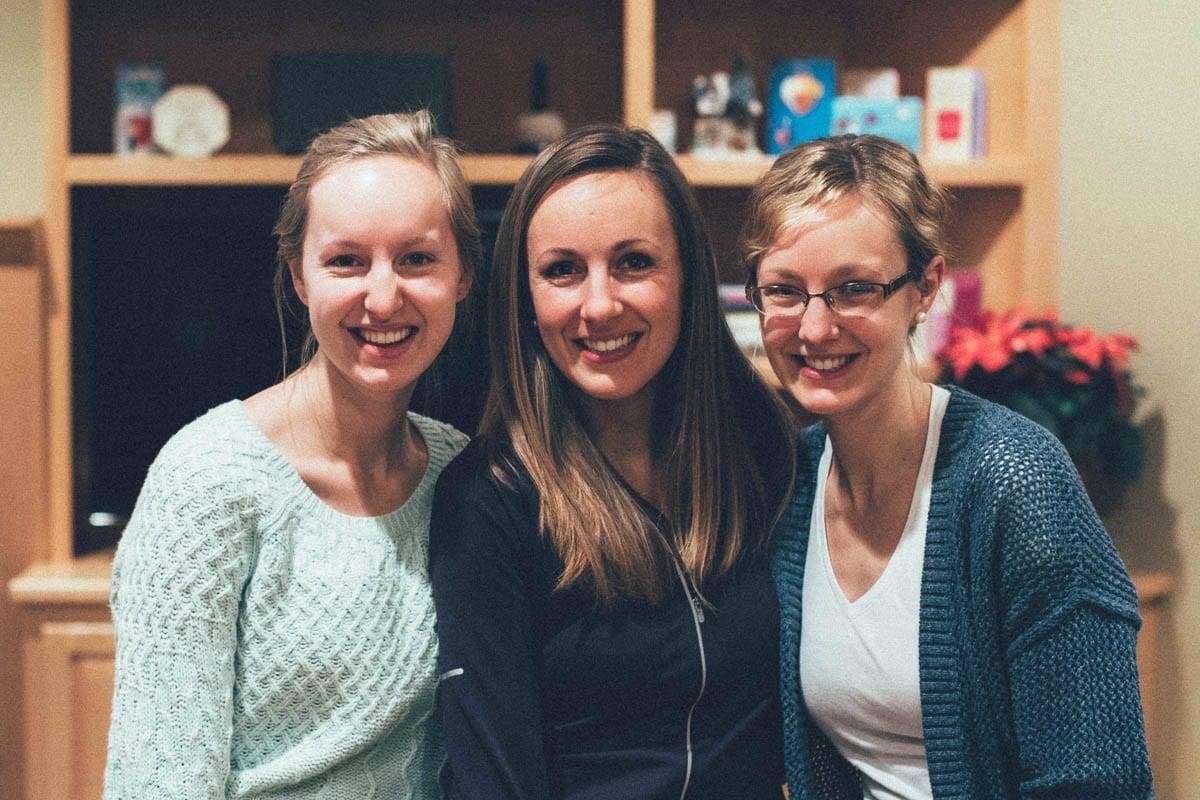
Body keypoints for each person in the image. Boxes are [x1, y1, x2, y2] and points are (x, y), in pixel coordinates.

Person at [743, 134, 1152, 799]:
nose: (814, 329)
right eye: (784, 292)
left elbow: (1098, 782)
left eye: (853, 289)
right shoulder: (787, 483)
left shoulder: (1016, 482)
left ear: (925, 289)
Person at [103, 110, 480, 799]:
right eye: (347, 260)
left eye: (417, 258)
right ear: (301, 279)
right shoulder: (207, 483)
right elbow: (156, 782)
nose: (383, 295)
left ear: (461, 276)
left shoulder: (465, 476)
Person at [429, 124, 795, 799]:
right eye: (562, 270)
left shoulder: (763, 449)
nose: (599, 305)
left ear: (687, 274)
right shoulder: (488, 501)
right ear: (525, 300)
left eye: (633, 262)